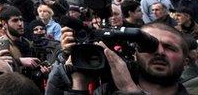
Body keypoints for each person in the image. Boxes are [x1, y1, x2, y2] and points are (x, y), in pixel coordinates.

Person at [63, 22, 191, 95]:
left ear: (186, 62)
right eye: (148, 46)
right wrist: (79, 84)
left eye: (170, 48)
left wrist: (130, 90)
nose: (159, 52)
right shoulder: (106, 92)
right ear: (135, 54)